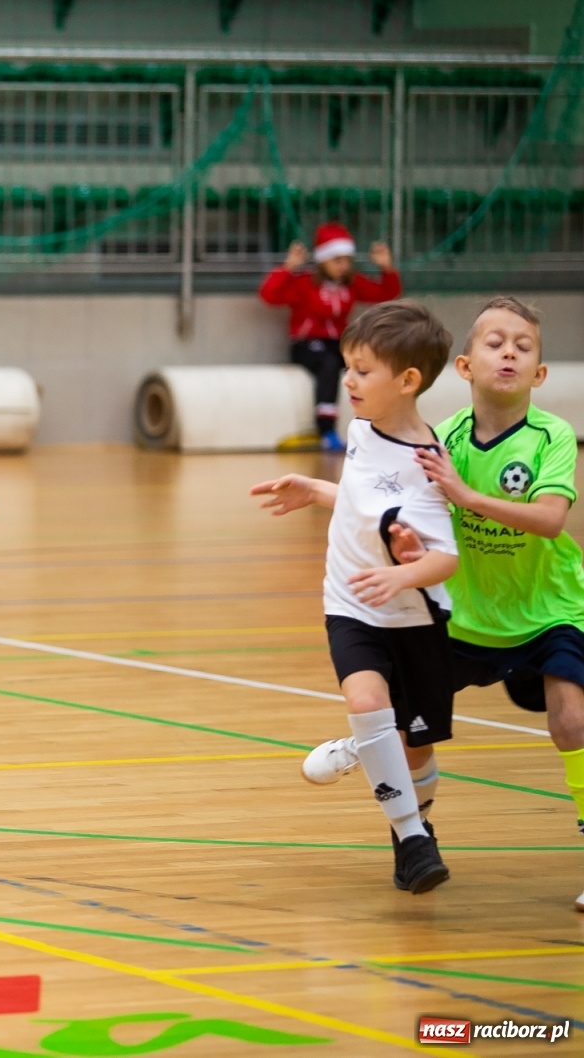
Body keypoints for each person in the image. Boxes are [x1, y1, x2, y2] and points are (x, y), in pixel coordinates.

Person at [326, 298, 584, 912]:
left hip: (547, 608)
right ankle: (412, 837)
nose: (510, 353)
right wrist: (408, 544)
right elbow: (410, 515)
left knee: (571, 720)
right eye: (495, 343)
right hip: (465, 614)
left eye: (523, 345)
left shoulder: (551, 437)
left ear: (539, 374)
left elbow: (550, 520)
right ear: (465, 366)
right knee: (416, 735)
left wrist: (465, 495)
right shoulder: (441, 445)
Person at [250, 300, 457, 894]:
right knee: (367, 699)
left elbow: (446, 557)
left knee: (416, 748)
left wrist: (403, 574)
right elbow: (364, 502)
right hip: (350, 605)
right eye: (347, 366)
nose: (348, 380)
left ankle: (391, 784)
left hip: (412, 615)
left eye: (362, 370)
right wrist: (317, 489)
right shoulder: (363, 430)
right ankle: (411, 838)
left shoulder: (428, 464)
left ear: (407, 381)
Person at [259, 222, 400, 452]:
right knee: (329, 365)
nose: (344, 266)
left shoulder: (351, 284)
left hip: (339, 344)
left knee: (367, 363)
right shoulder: (305, 283)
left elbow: (386, 293)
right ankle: (326, 429)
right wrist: (288, 268)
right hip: (307, 345)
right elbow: (269, 295)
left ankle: (377, 424)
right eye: (337, 260)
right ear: (323, 260)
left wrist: (387, 268)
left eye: (347, 260)